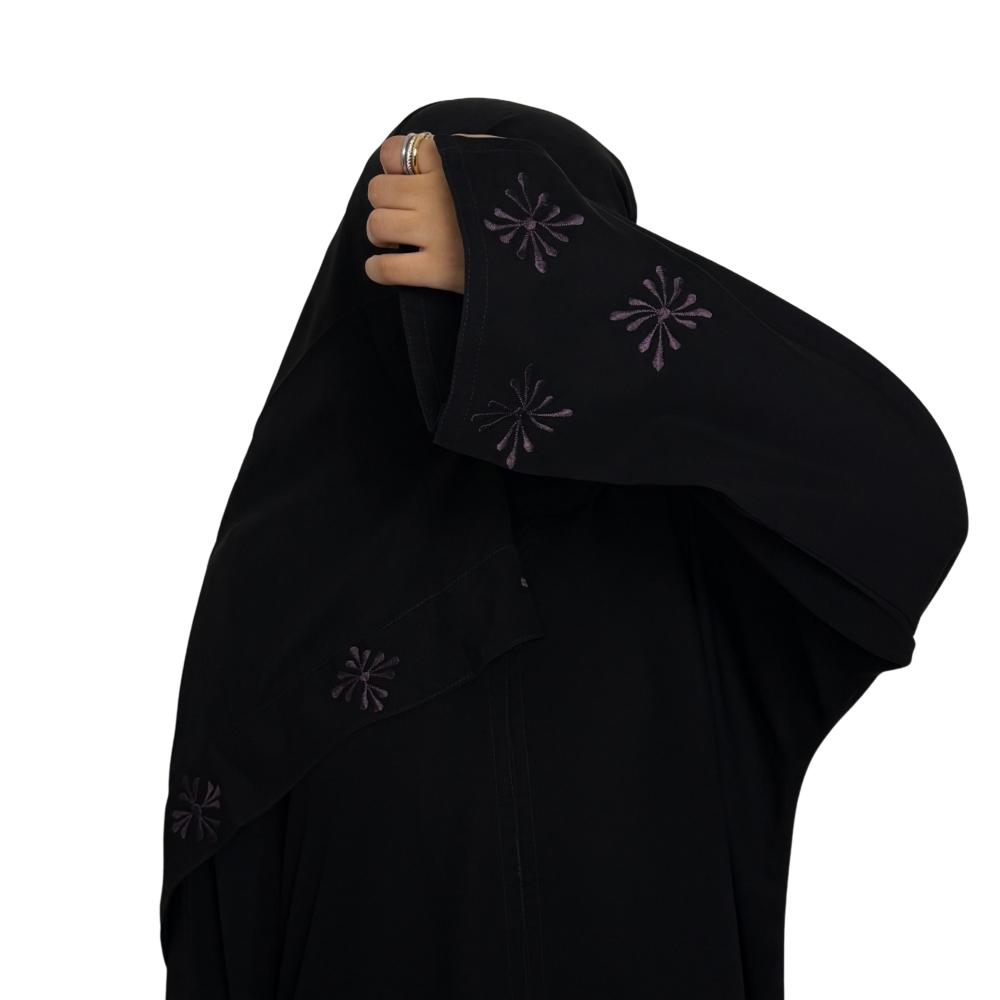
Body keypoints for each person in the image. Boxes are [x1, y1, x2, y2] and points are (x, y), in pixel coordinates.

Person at [161, 98, 968, 999]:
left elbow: (907, 494)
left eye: (529, 237)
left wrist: (527, 255)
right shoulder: (285, 581)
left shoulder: (715, 561)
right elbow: (215, 929)